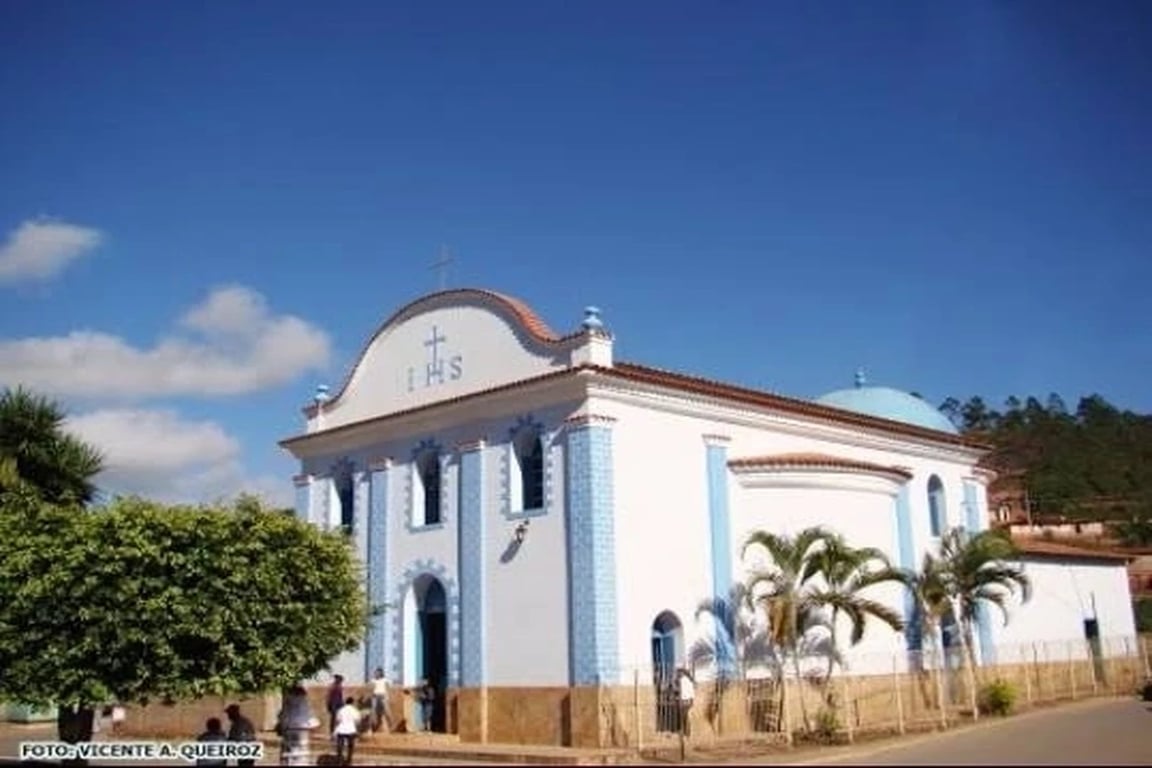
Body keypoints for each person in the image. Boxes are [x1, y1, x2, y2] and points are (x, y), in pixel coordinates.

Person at [276, 685, 320, 767]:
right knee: (300, 756)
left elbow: (281, 717)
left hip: (289, 729)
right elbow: (313, 722)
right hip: (302, 730)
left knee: (288, 755)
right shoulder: (304, 703)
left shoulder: (288, 702)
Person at [224, 704, 257, 768]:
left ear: (234, 713)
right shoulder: (238, 722)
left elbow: (239, 737)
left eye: (229, 713)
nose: (228, 715)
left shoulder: (241, 723)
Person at [332, 696, 361, 766]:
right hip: (351, 729)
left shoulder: (341, 710)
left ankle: (339, 760)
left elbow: (338, 720)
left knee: (340, 746)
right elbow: (357, 720)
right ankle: (349, 760)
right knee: (350, 746)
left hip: (341, 729)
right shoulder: (355, 711)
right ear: (352, 703)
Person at [370, 667, 393, 733]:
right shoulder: (373, 680)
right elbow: (371, 688)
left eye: (378, 673)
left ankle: (391, 723)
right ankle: (374, 725)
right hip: (375, 696)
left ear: (381, 673)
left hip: (383, 696)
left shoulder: (385, 680)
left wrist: (388, 696)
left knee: (387, 710)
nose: (376, 674)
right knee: (373, 711)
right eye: (376, 673)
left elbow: (388, 688)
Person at [677, 668, 695, 738]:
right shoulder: (690, 681)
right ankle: (687, 732)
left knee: (683, 718)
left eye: (679, 673)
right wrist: (692, 701)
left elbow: (681, 692)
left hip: (683, 701)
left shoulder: (681, 681)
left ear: (682, 673)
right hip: (689, 701)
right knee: (686, 717)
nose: (678, 674)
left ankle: (684, 732)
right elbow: (692, 693)